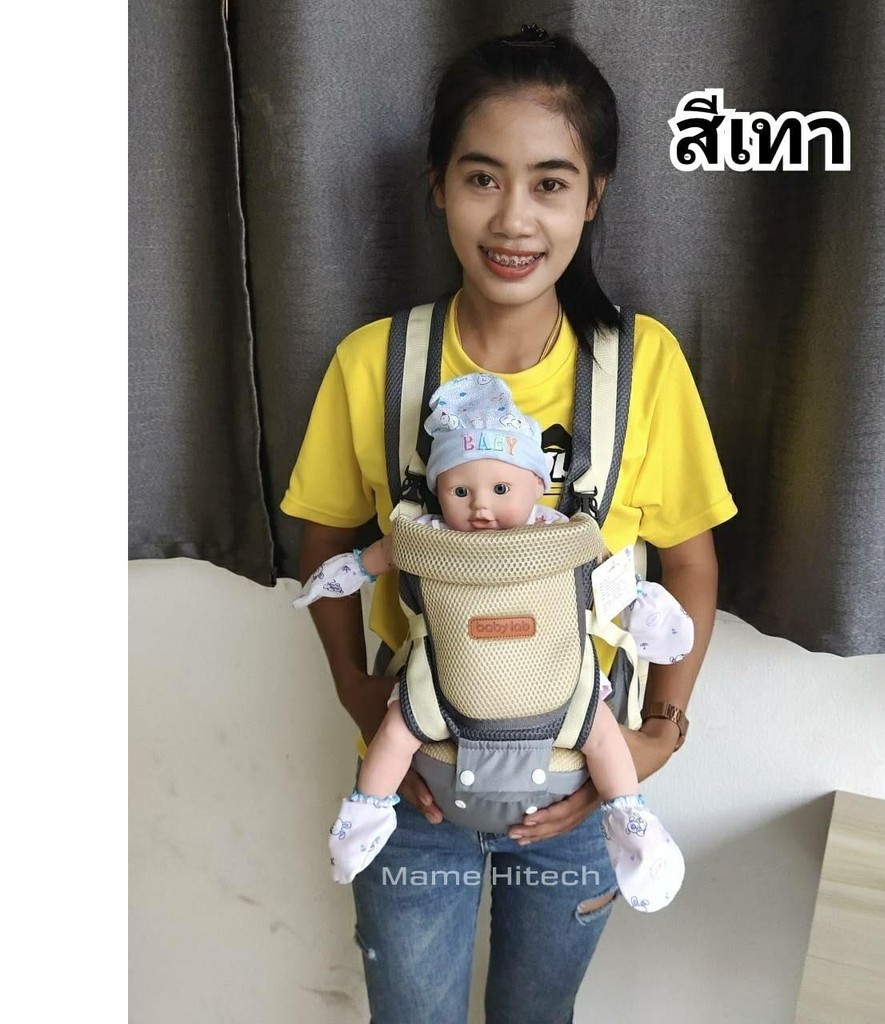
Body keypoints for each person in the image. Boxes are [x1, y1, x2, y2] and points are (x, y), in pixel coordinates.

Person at [281, 24, 737, 1023]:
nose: (514, 218)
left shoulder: (643, 366)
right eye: (482, 178)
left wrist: (657, 736)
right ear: (437, 184)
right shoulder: (375, 363)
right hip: (416, 790)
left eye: (550, 182)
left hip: (582, 793)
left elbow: (690, 563)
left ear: (595, 194)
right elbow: (323, 541)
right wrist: (360, 697)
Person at [294, 372, 693, 911]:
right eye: (460, 491)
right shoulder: (427, 537)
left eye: (501, 490)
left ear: (536, 485)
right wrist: (335, 580)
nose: (480, 507)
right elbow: (368, 562)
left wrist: (650, 615)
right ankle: (368, 810)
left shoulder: (563, 534)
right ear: (439, 491)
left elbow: (616, 582)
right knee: (396, 729)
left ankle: (630, 818)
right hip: (443, 693)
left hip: (558, 688)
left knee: (601, 731)